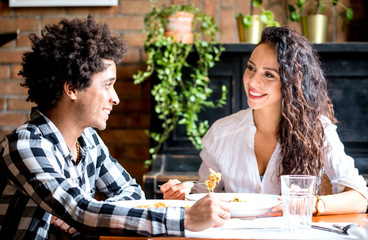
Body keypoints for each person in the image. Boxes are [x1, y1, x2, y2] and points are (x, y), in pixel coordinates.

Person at [0, 15, 231, 240]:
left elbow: (131, 192)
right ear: (72, 89)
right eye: (107, 85)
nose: (116, 98)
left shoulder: (88, 139)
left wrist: (93, 213)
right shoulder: (25, 145)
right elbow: (81, 211)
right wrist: (184, 218)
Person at [161, 26, 368, 215]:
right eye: (251, 68)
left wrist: (310, 204)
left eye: (269, 75)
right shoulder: (221, 132)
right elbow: (205, 190)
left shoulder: (318, 130)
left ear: (292, 84)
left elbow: (360, 197)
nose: (252, 81)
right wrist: (182, 193)